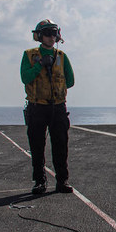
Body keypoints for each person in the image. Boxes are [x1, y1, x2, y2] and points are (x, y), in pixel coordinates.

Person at [20, 19, 75, 194]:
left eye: (54, 33)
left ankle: (62, 181)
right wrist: (39, 65)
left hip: (58, 107)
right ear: (39, 36)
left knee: (61, 146)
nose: (51, 37)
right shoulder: (29, 55)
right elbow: (25, 78)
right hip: (37, 107)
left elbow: (70, 80)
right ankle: (40, 181)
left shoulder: (62, 56)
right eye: (47, 34)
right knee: (37, 146)